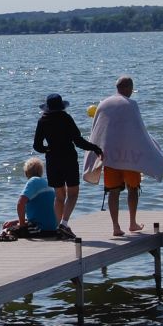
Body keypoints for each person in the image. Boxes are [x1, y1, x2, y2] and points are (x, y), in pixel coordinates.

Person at [82, 76, 163, 237]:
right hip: (130, 157)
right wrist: (152, 148)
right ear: (129, 88)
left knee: (113, 191)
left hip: (109, 156)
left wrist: (95, 155)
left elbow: (97, 131)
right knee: (132, 189)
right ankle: (132, 223)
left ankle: (116, 226)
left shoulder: (103, 104)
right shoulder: (131, 105)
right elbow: (139, 131)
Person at [33, 93, 102, 231]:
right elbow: (78, 141)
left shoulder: (42, 121)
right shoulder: (66, 118)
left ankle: (60, 227)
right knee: (73, 194)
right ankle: (64, 223)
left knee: (59, 196)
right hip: (69, 159)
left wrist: (48, 149)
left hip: (52, 160)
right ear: (61, 107)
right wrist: (95, 148)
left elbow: (37, 146)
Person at [3, 157, 57, 234]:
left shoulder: (33, 181)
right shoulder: (46, 183)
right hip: (53, 227)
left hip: (41, 229)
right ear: (41, 172)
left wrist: (22, 226)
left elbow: (20, 204)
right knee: (13, 224)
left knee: (5, 230)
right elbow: (41, 214)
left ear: (26, 173)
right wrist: (17, 221)